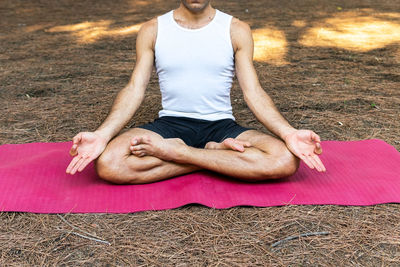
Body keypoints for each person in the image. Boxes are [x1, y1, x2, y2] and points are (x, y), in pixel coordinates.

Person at [66, 0, 326, 184]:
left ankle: (183, 153)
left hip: (220, 126)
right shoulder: (153, 29)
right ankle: (213, 156)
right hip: (170, 125)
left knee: (284, 160)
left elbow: (253, 92)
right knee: (109, 164)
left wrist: (288, 133)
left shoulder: (236, 29)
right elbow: (135, 88)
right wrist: (102, 134)